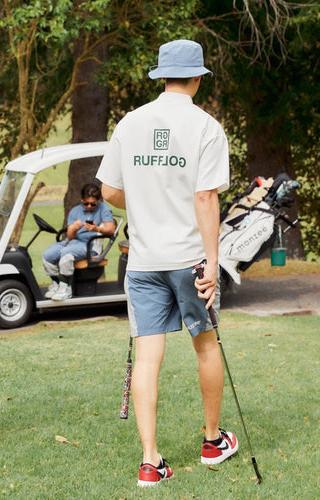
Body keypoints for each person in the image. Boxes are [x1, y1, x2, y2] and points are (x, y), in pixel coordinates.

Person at [96, 39, 238, 487]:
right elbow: (205, 197)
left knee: (147, 359)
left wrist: (143, 199)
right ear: (197, 78)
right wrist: (213, 262)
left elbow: (109, 192)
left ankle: (150, 461)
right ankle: (213, 441)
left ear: (161, 77)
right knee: (206, 345)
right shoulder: (206, 127)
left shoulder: (131, 122)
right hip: (189, 261)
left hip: (142, 262)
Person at [42, 183, 115, 301]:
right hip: (73, 242)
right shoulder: (75, 211)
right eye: (86, 203)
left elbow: (111, 229)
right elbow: (70, 237)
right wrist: (73, 228)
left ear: (98, 200)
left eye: (93, 204)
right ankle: (56, 284)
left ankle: (66, 288)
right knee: (48, 255)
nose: (89, 206)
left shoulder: (104, 209)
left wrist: (97, 229)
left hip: (90, 245)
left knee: (66, 254)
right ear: (82, 200)